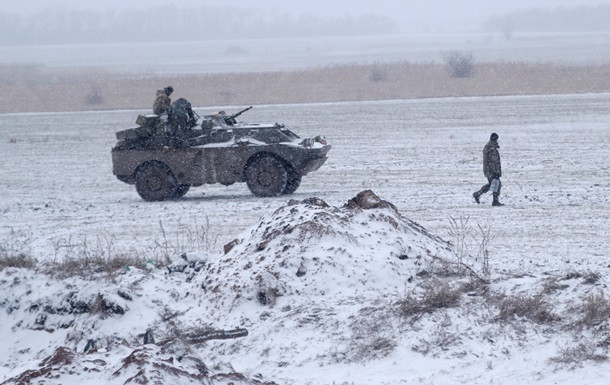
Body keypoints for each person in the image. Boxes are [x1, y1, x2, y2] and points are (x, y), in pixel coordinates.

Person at [473, 132, 504, 206]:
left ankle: (478, 194)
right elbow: (493, 161)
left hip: (488, 170)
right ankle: (495, 201)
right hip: (491, 171)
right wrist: (496, 172)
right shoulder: (491, 148)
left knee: (492, 184)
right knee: (497, 184)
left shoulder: (489, 146)